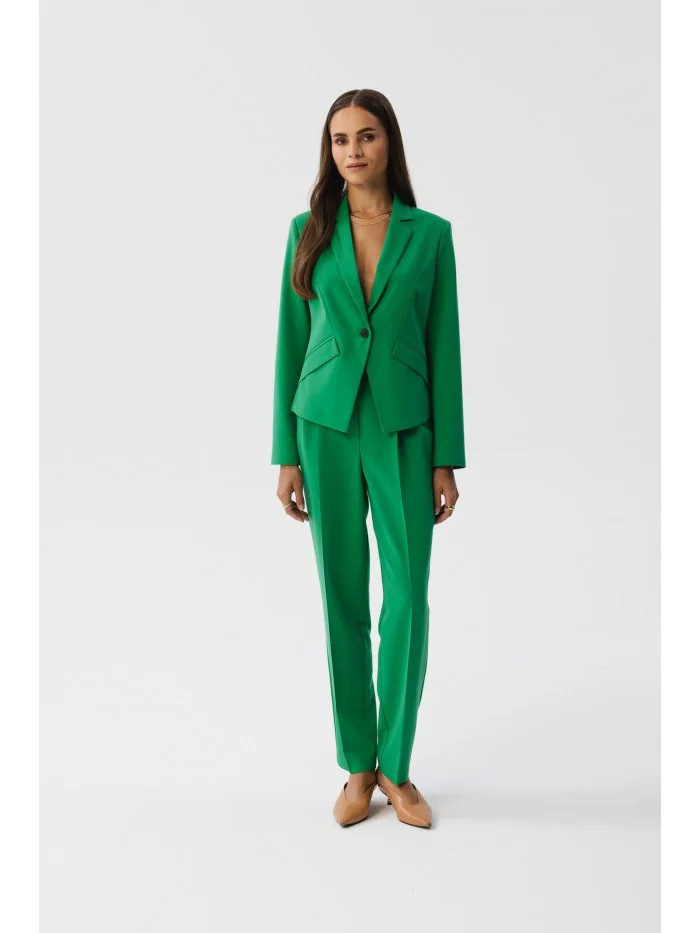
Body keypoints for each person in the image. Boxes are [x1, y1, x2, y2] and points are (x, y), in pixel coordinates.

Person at [271, 89, 466, 829]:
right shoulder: (308, 230)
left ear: (390, 143)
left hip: (405, 428)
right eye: (340, 139)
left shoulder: (431, 235)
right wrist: (285, 453)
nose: (352, 150)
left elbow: (444, 345)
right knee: (342, 596)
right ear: (329, 151)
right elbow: (290, 340)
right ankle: (357, 764)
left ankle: (397, 765)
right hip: (323, 423)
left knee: (408, 597)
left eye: (367, 135)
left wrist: (446, 457)